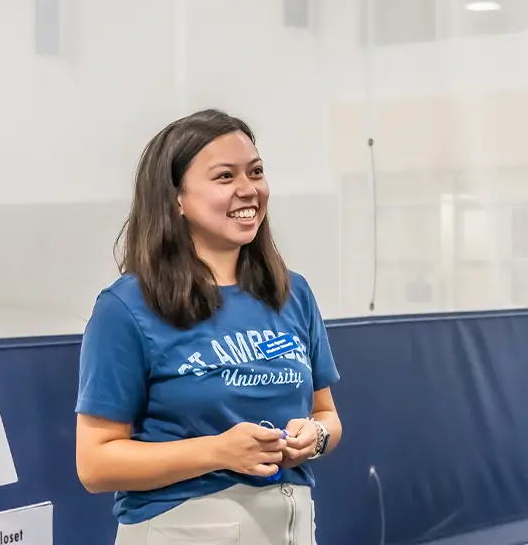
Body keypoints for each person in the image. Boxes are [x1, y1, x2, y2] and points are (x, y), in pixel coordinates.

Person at [73, 109, 343, 545]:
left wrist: (314, 438)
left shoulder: (293, 294)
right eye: (224, 177)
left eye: (255, 172)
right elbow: (95, 464)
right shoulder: (126, 308)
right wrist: (219, 452)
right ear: (176, 198)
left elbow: (326, 416)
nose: (248, 189)